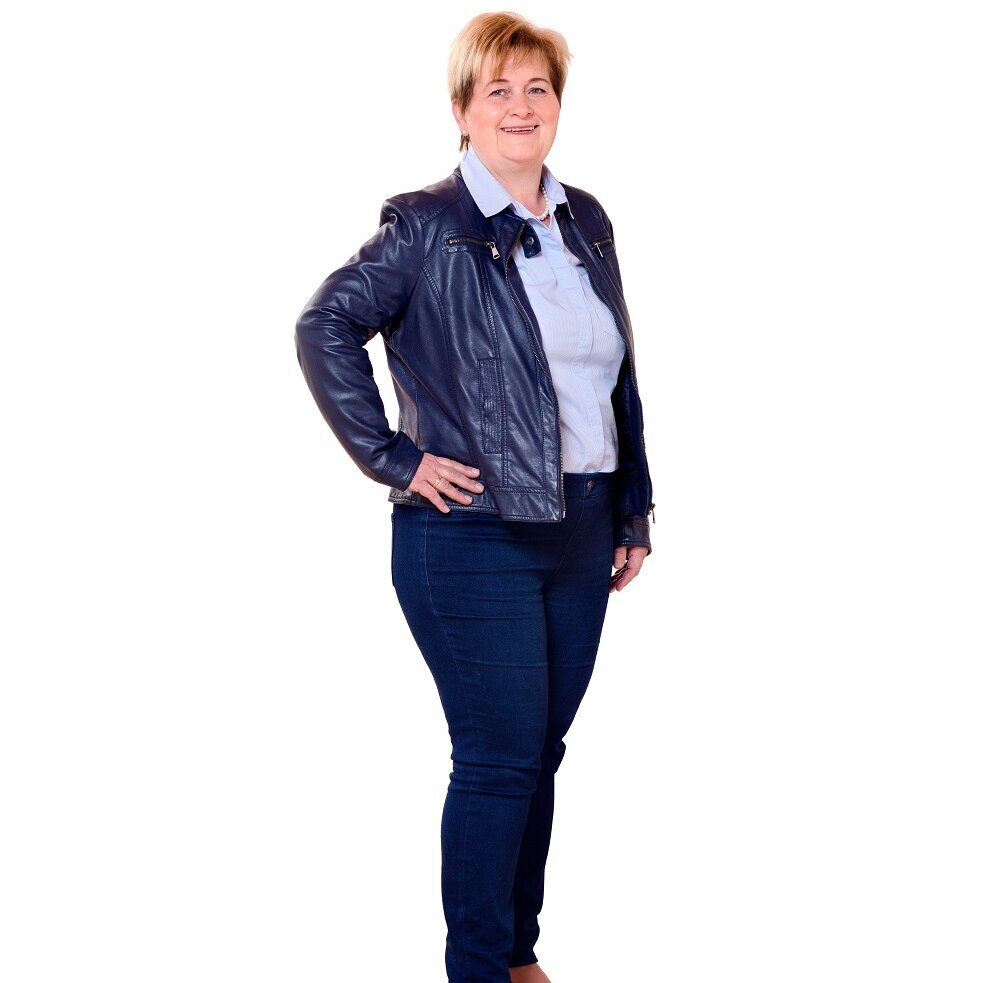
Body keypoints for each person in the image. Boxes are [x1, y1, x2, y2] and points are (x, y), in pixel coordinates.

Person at [294, 12, 654, 983]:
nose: (520, 107)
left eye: (536, 88)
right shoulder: (427, 224)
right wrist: (395, 457)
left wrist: (630, 506)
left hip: (582, 528)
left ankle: (516, 954)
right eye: (497, 90)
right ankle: (479, 969)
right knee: (498, 756)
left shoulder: (584, 220)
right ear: (462, 110)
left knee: (539, 749)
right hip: (469, 535)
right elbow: (324, 325)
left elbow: (610, 378)